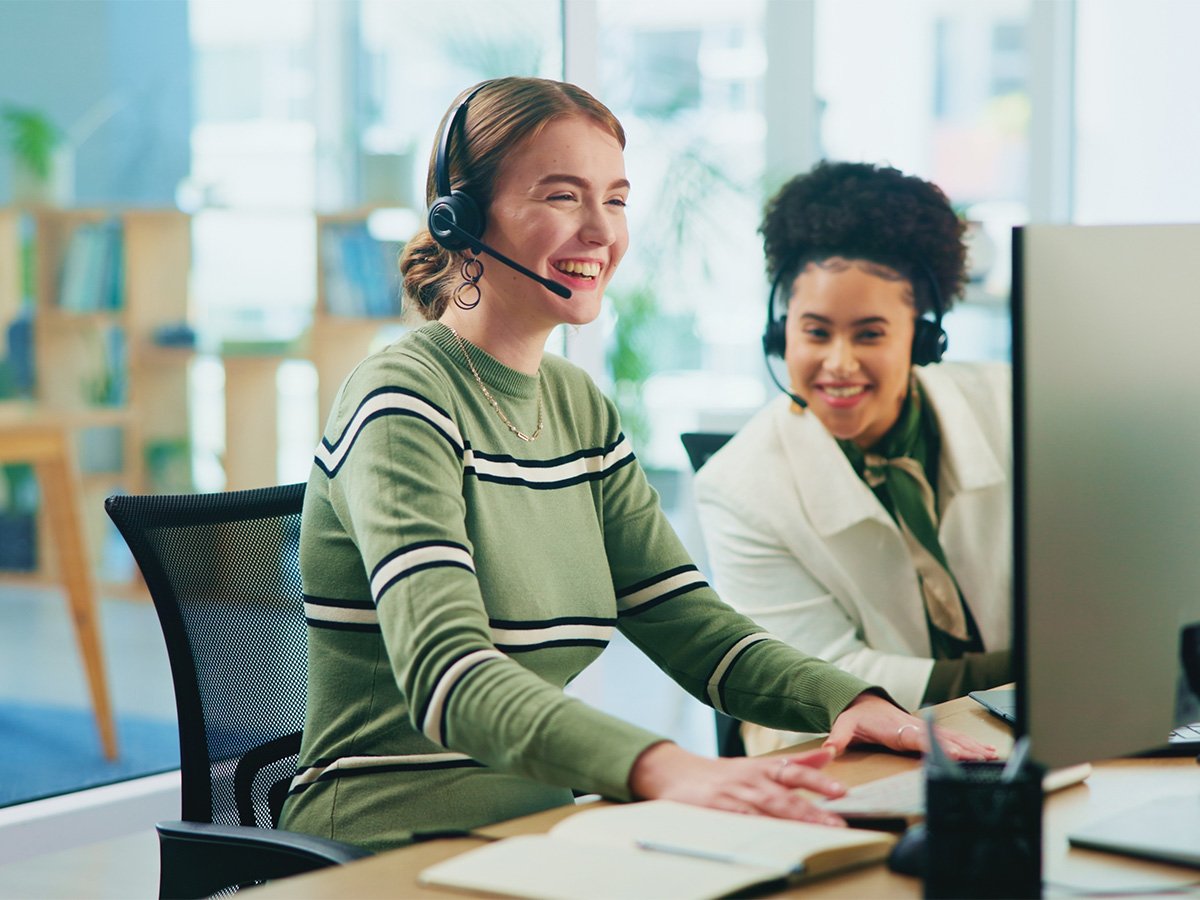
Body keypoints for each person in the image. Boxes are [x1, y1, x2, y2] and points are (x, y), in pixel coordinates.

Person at [280, 80, 994, 853]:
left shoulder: (575, 404)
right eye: (563, 196)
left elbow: (686, 622)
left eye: (616, 200)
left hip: (543, 830)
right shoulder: (401, 399)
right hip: (381, 840)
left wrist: (854, 702)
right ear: (461, 217)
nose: (600, 231)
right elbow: (447, 675)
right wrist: (663, 767)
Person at [693, 161, 1013, 756]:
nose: (838, 363)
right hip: (838, 738)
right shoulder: (737, 486)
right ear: (780, 332)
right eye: (816, 333)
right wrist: (1037, 670)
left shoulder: (1013, 408)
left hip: (1015, 730)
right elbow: (823, 669)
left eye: (869, 334)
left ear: (921, 338)